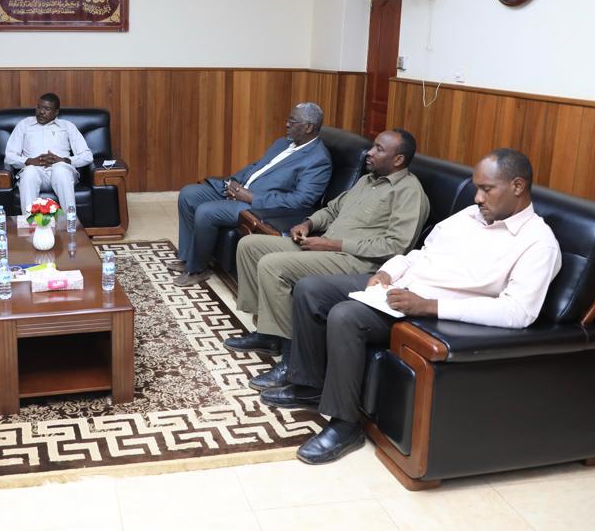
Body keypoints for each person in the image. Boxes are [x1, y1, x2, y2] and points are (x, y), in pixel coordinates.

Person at [267, 149, 562, 465]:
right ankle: (309, 385)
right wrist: (387, 272)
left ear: (517, 186)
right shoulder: (469, 216)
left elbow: (518, 312)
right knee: (310, 289)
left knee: (346, 316)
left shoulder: (538, 243)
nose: (477, 197)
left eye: (486, 189)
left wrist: (429, 306)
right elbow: (421, 254)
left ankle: (345, 425)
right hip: (401, 289)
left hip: (431, 312)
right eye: (477, 188)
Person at [225, 129, 429, 390]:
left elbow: (396, 246)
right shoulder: (368, 180)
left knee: (272, 266)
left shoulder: (409, 192)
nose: (369, 152)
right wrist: (308, 224)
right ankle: (268, 333)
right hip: (325, 247)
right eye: (373, 146)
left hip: (357, 262)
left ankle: (291, 360)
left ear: (398, 160)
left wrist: (332, 244)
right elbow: (332, 210)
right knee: (250, 246)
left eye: (379, 149)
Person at [170, 102, 333, 286]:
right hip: (240, 192)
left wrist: (252, 197)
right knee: (189, 194)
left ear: (309, 127)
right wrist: (234, 183)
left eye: (292, 121)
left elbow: (301, 201)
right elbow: (257, 166)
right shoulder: (283, 143)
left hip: (258, 206)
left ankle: (197, 269)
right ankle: (188, 258)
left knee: (206, 211)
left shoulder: (318, 160)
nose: (287, 124)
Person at [4, 92, 93, 214]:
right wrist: (29, 161)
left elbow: (87, 156)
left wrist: (64, 160)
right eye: (39, 107)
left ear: (56, 112)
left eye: (47, 109)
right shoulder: (24, 125)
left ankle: (70, 221)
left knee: (60, 170)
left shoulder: (67, 126)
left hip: (61, 170)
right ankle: (30, 222)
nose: (41, 112)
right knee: (29, 173)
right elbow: (9, 156)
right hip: (35, 170)